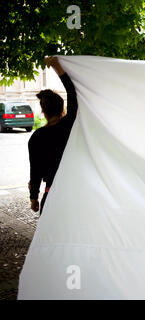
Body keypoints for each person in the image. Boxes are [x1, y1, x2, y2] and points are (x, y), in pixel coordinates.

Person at [28, 56, 78, 215]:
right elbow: (72, 92)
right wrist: (57, 68)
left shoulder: (37, 137)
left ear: (43, 112)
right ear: (62, 108)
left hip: (51, 195)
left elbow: (35, 170)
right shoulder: (69, 125)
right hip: (74, 194)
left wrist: (34, 197)